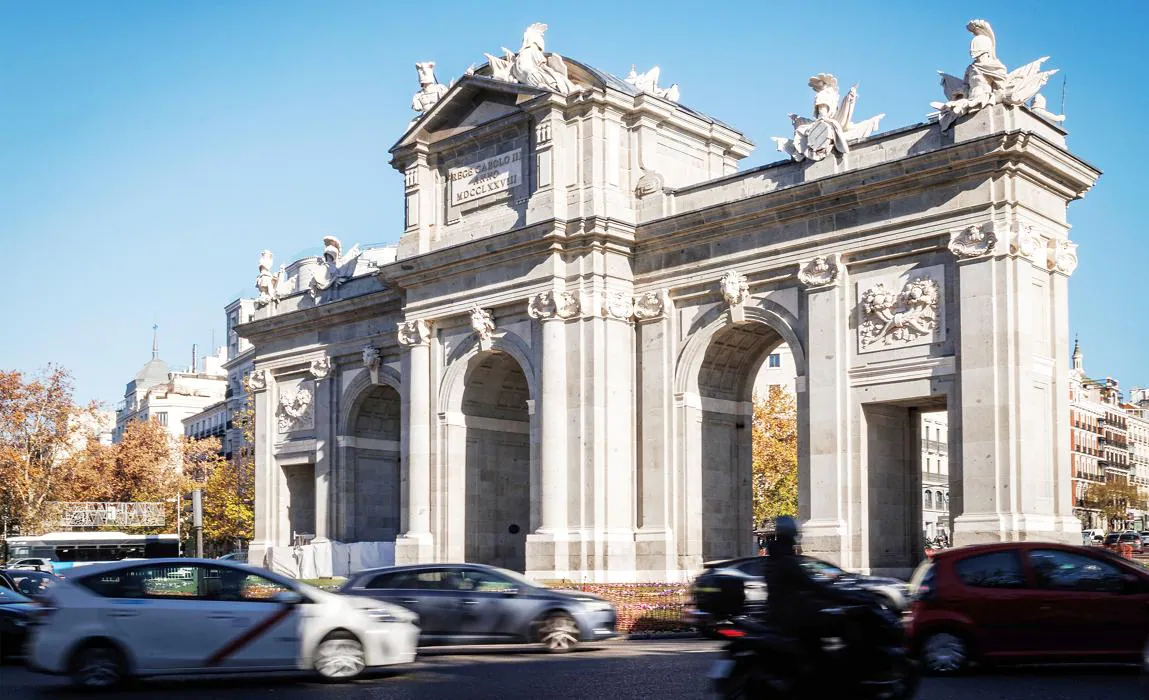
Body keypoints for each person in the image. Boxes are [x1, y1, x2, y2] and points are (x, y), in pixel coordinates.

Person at [762, 516, 870, 686]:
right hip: (791, 615)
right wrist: (841, 595)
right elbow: (810, 584)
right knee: (830, 626)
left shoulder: (775, 556)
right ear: (792, 534)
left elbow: (800, 585)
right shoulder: (786, 559)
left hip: (781, 612)